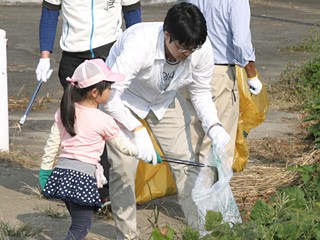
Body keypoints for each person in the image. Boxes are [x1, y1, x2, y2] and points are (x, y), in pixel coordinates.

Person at [102, 2, 230, 239]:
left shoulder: (198, 48)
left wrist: (213, 125)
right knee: (123, 171)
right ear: (167, 35)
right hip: (125, 102)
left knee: (186, 165)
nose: (187, 54)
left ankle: (201, 231)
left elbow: (200, 91)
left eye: (192, 49)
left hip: (164, 99)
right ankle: (127, 236)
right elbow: (109, 97)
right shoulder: (139, 44)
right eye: (182, 48)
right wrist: (138, 131)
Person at [35, 0, 142, 205]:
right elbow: (49, 13)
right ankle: (79, 185)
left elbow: (133, 14)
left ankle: (107, 189)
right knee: (79, 125)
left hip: (109, 53)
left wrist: (134, 54)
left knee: (108, 124)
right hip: (74, 57)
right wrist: (44, 56)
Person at [39, 59, 154, 240]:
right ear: (94, 92)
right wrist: (141, 152)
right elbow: (122, 146)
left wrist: (45, 170)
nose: (111, 91)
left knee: (77, 221)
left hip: (62, 174)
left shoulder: (65, 110)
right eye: (109, 88)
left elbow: (52, 144)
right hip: (82, 178)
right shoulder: (103, 120)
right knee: (81, 226)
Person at [183, 0, 263, 164]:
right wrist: (252, 74)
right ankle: (211, 188)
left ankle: (189, 187)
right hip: (218, 73)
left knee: (191, 137)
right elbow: (241, 42)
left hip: (187, 68)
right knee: (216, 141)